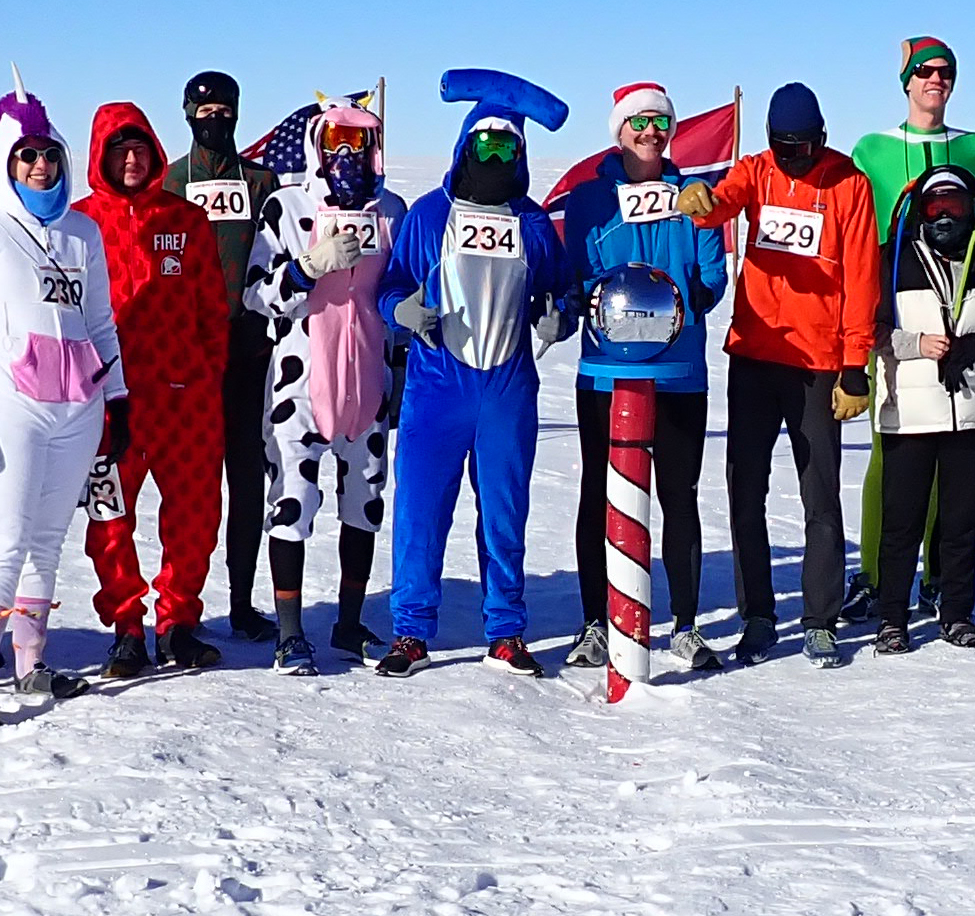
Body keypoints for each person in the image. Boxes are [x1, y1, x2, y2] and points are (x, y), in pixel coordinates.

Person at [374, 69, 572, 678]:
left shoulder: (535, 223)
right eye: (484, 144)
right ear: (464, 145)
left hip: (507, 387)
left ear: (520, 152)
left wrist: (556, 317)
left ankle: (506, 631)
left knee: (506, 511)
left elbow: (560, 289)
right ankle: (410, 631)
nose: (495, 155)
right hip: (437, 384)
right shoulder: (431, 215)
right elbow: (393, 285)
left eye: (506, 146)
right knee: (420, 511)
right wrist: (399, 311)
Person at [676, 82, 879, 668]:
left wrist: (855, 366)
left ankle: (820, 618)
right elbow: (723, 201)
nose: (793, 156)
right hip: (757, 358)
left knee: (821, 495)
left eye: (804, 146)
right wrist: (702, 203)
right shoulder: (756, 171)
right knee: (746, 489)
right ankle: (759, 615)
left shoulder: (849, 183)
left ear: (823, 137)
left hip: (819, 367)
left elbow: (862, 276)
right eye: (783, 146)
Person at [0, 90, 127, 723]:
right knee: (2, 540)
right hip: (12, 406)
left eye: (48, 155)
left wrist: (118, 397)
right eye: (25, 157)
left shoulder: (83, 231)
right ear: (5, 163)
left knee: (47, 541)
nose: (39, 168)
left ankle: (30, 665)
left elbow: (99, 321)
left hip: (80, 406)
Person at [557, 83, 729, 673]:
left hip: (679, 371)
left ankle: (684, 623)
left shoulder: (694, 195)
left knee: (678, 495)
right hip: (606, 372)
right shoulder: (588, 200)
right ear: (619, 130)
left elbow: (712, 275)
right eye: (639, 122)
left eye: (660, 121)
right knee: (597, 494)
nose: (650, 131)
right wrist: (597, 304)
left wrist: (681, 303)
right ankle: (595, 623)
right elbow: (575, 273)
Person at [240, 96, 407, 673]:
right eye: (334, 138)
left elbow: (406, 290)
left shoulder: (393, 212)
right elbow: (255, 294)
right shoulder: (286, 207)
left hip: (369, 376)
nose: (344, 153)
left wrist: (406, 352)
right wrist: (306, 268)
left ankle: (349, 622)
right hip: (300, 378)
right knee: (292, 499)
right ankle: (290, 632)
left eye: (356, 141)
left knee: (365, 499)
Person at [75, 102, 230, 676]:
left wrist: (205, 374)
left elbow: (214, 310)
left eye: (141, 148)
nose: (133, 159)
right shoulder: (79, 224)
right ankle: (126, 627)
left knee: (194, 514)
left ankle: (178, 622)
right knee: (108, 518)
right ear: (101, 156)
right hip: (107, 404)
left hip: (184, 398)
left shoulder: (187, 221)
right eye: (120, 149)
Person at [849, 36, 975, 619]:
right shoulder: (874, 148)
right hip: (896, 312)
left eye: (945, 73)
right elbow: (856, 227)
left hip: (961, 309)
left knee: (956, 451)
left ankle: (939, 577)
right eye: (925, 72)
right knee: (891, 450)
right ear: (906, 80)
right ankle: (874, 575)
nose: (935, 81)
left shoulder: (974, 146)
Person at [870, 166, 975, 651]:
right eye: (935, 206)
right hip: (911, 412)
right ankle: (892, 619)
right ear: (919, 211)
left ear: (973, 210)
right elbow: (868, 329)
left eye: (955, 206)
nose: (944, 215)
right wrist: (916, 343)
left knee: (963, 522)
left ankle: (957, 613)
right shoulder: (893, 260)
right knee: (902, 523)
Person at [165, 70, 283, 641]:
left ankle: (241, 601)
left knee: (246, 477)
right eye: (204, 111)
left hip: (249, 350)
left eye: (225, 110)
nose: (215, 119)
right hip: (184, 354)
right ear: (187, 113)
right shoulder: (168, 183)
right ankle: (180, 608)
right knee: (190, 485)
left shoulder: (262, 182)